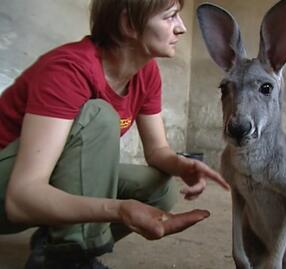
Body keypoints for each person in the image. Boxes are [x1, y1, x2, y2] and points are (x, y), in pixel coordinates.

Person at [0, 0, 230, 268]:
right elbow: (21, 197)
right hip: (10, 191)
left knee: (160, 189)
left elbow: (157, 151)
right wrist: (120, 209)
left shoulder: (146, 73)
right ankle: (71, 257)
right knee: (100, 115)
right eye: (170, 17)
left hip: (37, 185)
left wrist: (182, 165)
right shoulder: (69, 70)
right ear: (128, 24)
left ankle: (56, 242)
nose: (181, 28)